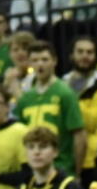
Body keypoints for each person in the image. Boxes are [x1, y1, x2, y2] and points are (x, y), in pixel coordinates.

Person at [13, 42, 87, 174]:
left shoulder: (65, 93)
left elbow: (79, 134)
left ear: (55, 61)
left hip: (61, 167)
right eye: (35, 60)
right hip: (33, 170)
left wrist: (77, 171)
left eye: (45, 59)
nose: (40, 64)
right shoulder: (26, 98)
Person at [64, 37, 97, 175]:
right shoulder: (62, 82)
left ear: (96, 56)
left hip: (92, 158)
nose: (84, 56)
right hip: (66, 156)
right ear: (71, 55)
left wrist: (70, 102)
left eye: (89, 52)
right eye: (80, 52)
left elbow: (92, 121)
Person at [0, 126, 78, 189]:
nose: (36, 152)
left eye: (43, 147)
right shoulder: (22, 186)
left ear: (55, 152)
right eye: (31, 147)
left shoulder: (69, 186)